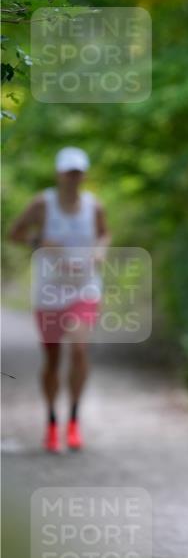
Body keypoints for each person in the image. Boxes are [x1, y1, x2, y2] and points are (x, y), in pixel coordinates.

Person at [9, 147, 110, 452]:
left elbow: (105, 235)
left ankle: (74, 421)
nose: (73, 178)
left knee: (79, 350)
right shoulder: (43, 203)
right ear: (59, 173)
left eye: (78, 172)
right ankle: (52, 422)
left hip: (84, 288)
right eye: (68, 172)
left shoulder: (94, 206)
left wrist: (99, 252)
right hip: (50, 291)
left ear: (84, 175)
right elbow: (14, 233)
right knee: (52, 359)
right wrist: (39, 241)